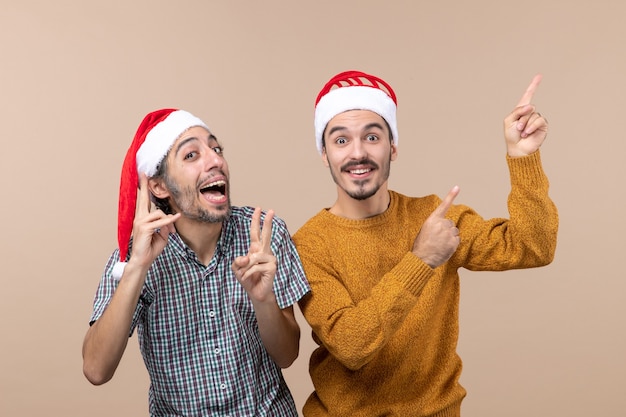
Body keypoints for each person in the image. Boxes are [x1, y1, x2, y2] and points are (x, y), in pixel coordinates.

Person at [292, 70, 558, 417]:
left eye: (372, 137)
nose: (357, 153)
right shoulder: (308, 244)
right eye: (340, 141)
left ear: (393, 147)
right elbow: (351, 345)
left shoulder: (434, 216)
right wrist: (421, 260)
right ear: (325, 154)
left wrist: (523, 158)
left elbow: (534, 246)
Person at [82, 108, 310, 416]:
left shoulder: (263, 236)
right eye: (191, 155)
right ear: (160, 187)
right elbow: (96, 370)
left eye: (216, 149)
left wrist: (263, 300)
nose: (215, 160)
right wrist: (136, 269)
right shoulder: (137, 256)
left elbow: (287, 355)